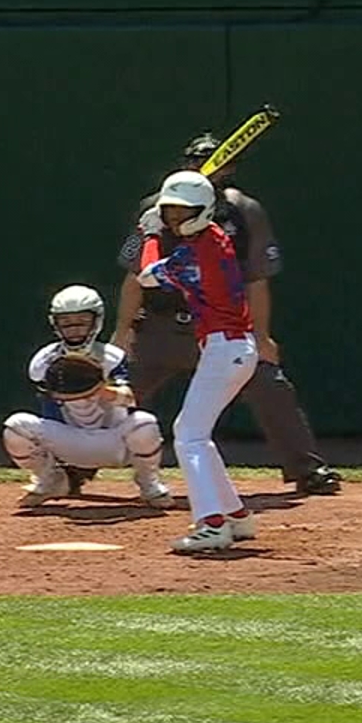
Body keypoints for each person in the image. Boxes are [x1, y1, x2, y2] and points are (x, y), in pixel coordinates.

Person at [105, 131, 342, 498]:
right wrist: (122, 333)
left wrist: (262, 336)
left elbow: (250, 279)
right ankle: (72, 466)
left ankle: (298, 472)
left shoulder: (229, 222)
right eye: (194, 161)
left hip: (218, 336)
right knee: (112, 391)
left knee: (256, 392)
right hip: (161, 330)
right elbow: (134, 274)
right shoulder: (154, 209)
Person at [135, 171, 262, 553]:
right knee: (195, 432)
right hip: (230, 348)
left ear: (203, 210)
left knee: (189, 434)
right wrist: (162, 230)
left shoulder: (199, 252)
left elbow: (146, 277)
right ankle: (235, 516)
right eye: (169, 212)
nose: (174, 218)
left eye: (180, 212)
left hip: (226, 348)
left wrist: (151, 236)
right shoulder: (212, 238)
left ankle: (211, 525)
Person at [1, 284, 173, 509]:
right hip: (68, 441)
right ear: (55, 324)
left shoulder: (111, 357)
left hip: (113, 440)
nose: (74, 330)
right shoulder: (44, 360)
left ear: (96, 321)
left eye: (81, 322)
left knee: (145, 423)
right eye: (66, 323)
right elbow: (50, 413)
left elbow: (129, 399)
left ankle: (149, 483)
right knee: (15, 426)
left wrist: (97, 389)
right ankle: (51, 479)